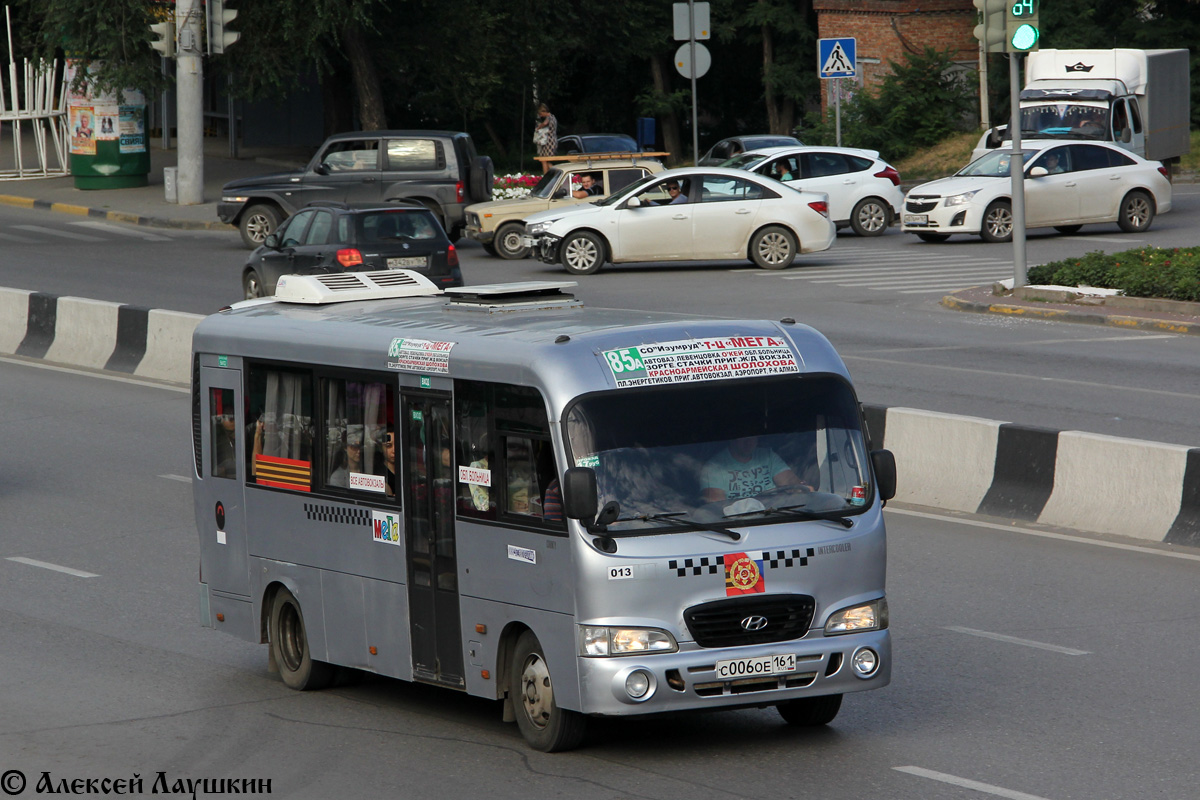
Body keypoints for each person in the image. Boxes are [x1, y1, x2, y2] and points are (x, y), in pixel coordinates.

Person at [700, 436, 808, 503]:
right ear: (732, 438)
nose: (749, 441)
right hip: (738, 525)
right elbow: (717, 508)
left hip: (777, 517)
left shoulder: (768, 456)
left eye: (752, 436)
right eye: (743, 437)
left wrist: (803, 490)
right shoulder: (714, 467)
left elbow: (792, 485)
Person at [534, 103, 558, 173]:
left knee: (543, 159)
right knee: (544, 160)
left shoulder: (549, 117)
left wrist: (538, 128)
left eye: (541, 114)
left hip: (549, 142)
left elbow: (544, 123)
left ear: (544, 111)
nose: (540, 116)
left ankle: (556, 173)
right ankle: (554, 173)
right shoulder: (553, 117)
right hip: (550, 141)